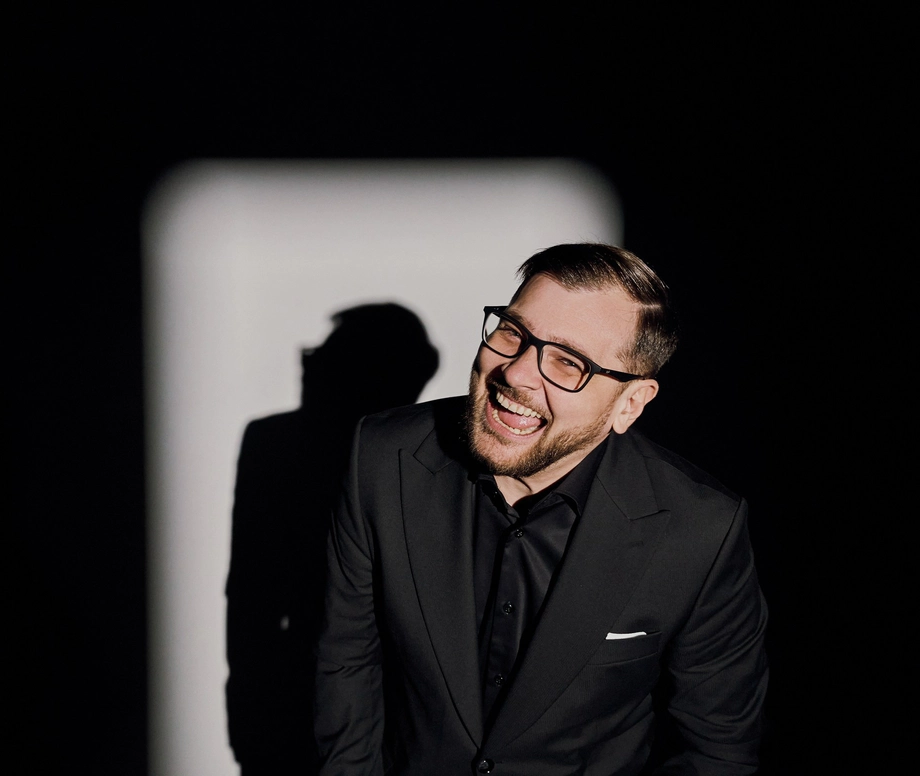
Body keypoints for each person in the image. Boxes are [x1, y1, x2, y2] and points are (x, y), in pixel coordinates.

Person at [314, 243, 768, 775]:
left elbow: (717, 750)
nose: (517, 374)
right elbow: (347, 663)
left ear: (630, 403)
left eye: (568, 362)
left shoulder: (701, 529)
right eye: (513, 332)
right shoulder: (380, 457)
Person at [227, 303, 439, 776]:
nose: (309, 368)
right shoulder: (275, 444)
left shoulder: (429, 453)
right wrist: (249, 719)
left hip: (405, 712)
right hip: (296, 705)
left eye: (321, 356)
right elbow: (250, 596)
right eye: (312, 356)